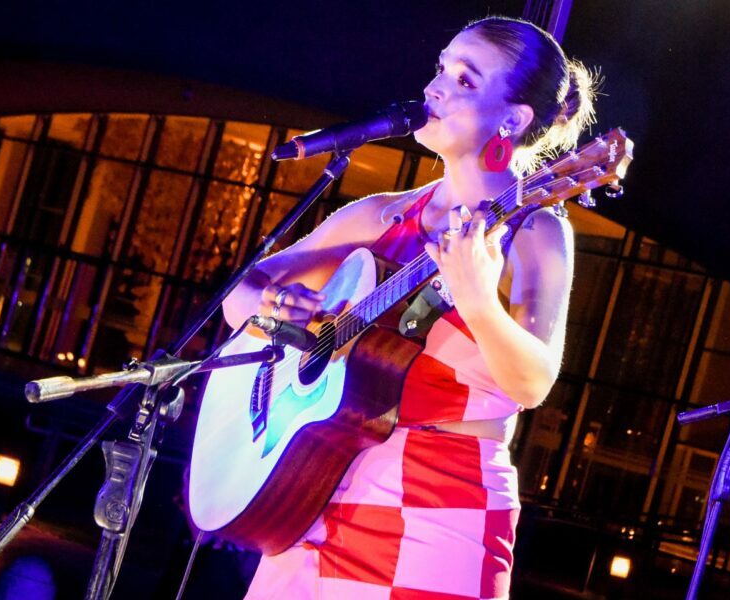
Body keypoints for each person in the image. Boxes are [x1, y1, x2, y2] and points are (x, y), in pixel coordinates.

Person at [218, 15, 596, 599]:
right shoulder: (380, 214)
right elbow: (240, 293)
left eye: (466, 81)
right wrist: (271, 306)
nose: (436, 89)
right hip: (318, 478)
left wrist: (478, 302)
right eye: (441, 69)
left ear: (514, 118)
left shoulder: (535, 229)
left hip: (444, 503)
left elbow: (532, 382)